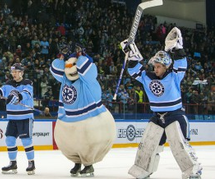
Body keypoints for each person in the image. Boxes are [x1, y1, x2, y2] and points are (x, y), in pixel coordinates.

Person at [122, 27, 202, 179]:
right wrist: (131, 56)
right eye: (155, 66)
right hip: (157, 117)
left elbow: (181, 63)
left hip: (175, 115)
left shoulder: (174, 76)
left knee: (180, 146)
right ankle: (143, 170)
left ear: (166, 67)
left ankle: (193, 170)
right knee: (148, 145)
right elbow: (134, 71)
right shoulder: (147, 77)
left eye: (159, 66)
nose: (156, 69)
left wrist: (177, 49)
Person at [50, 44, 116, 177]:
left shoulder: (86, 80)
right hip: (68, 120)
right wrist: (62, 57)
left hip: (89, 119)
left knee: (88, 143)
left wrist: (81, 56)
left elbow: (87, 69)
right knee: (70, 145)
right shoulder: (64, 79)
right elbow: (54, 69)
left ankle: (88, 165)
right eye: (68, 65)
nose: (70, 68)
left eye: (73, 65)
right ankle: (76, 163)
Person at [0, 63, 36, 175]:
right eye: (13, 72)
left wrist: (17, 95)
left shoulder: (27, 83)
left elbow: (26, 94)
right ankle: (13, 163)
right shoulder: (8, 84)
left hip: (25, 117)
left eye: (16, 72)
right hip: (12, 118)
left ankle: (31, 163)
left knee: (26, 141)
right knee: (9, 140)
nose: (14, 74)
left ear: (22, 72)